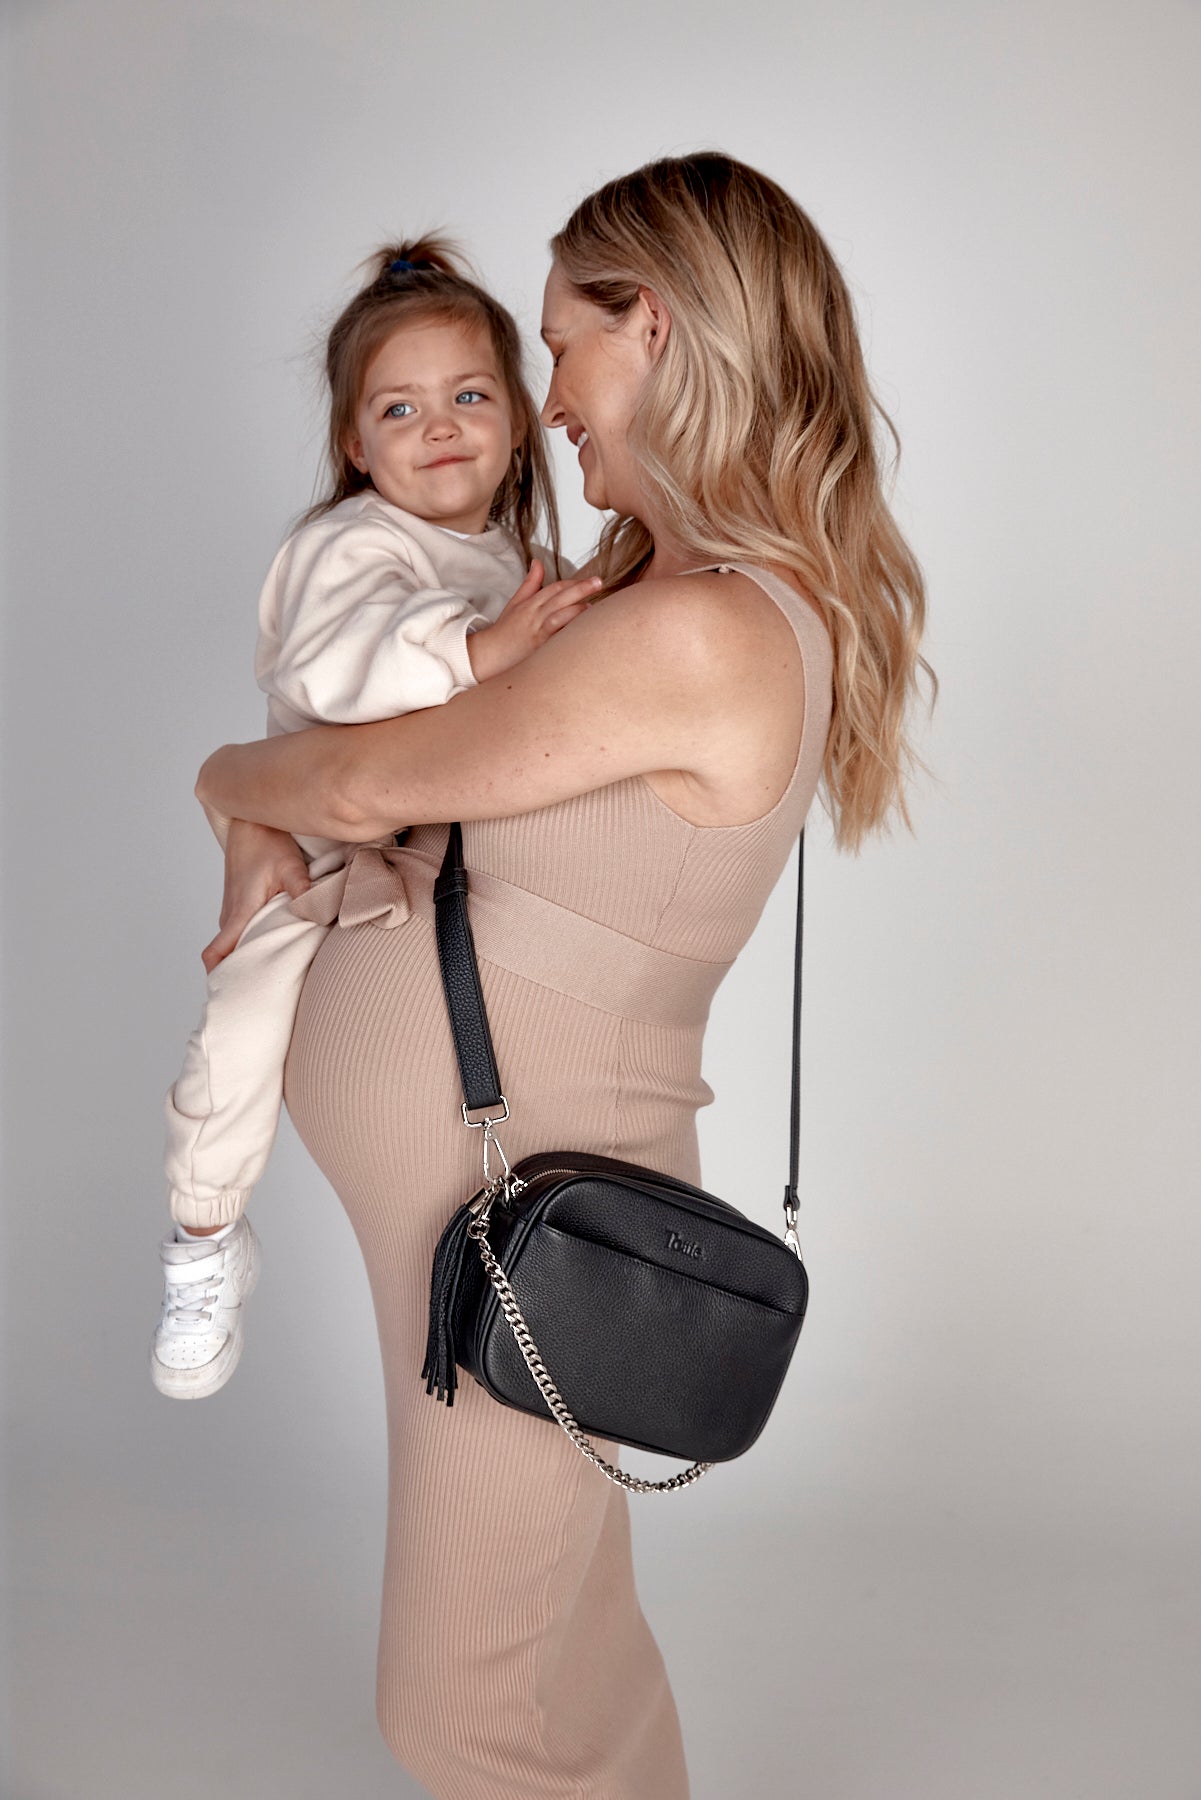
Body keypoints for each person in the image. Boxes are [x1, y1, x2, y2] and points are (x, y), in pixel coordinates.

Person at [193, 152, 933, 1798]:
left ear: (651, 330)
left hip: (522, 1204)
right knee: (552, 1654)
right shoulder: (658, 598)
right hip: (499, 1198)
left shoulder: (704, 635)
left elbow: (366, 780)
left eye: (560, 346)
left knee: (483, 1699)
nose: (549, 404)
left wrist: (224, 785)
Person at [152, 239, 599, 1399]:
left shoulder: (520, 559)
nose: (439, 425)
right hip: (310, 843)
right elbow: (347, 671)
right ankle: (203, 1239)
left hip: (432, 852)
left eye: (468, 396)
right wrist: (482, 649)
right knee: (240, 1021)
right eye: (399, 409)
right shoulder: (347, 543)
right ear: (356, 447)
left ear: (516, 420)